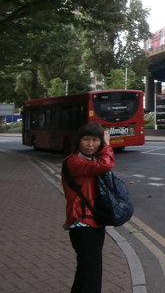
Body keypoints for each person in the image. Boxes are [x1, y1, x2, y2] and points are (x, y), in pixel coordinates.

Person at [61, 123, 114, 293]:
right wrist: (107, 146)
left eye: (95, 140)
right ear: (79, 141)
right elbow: (105, 165)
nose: (90, 144)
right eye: (86, 139)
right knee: (91, 272)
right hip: (83, 222)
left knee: (87, 270)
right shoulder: (74, 161)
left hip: (93, 220)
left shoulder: (87, 159)